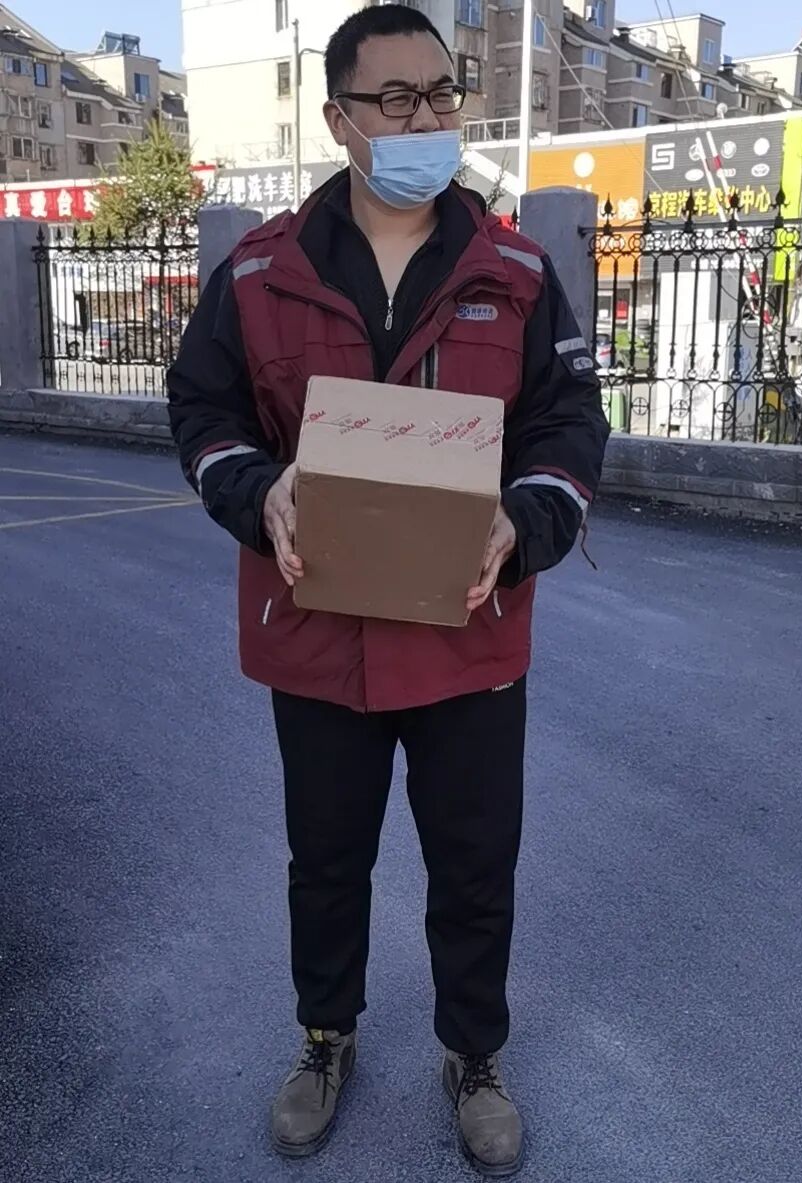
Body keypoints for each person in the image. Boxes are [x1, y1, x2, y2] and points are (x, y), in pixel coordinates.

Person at [167, 4, 609, 1176]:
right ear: (339, 119)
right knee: (325, 861)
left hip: (468, 630)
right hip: (318, 630)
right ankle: (325, 1037)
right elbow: (202, 411)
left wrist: (523, 522)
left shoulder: (514, 272)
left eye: (441, 95)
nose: (425, 120)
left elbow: (568, 422)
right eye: (395, 100)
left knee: (474, 864)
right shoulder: (257, 273)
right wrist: (255, 490)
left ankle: (473, 1054)